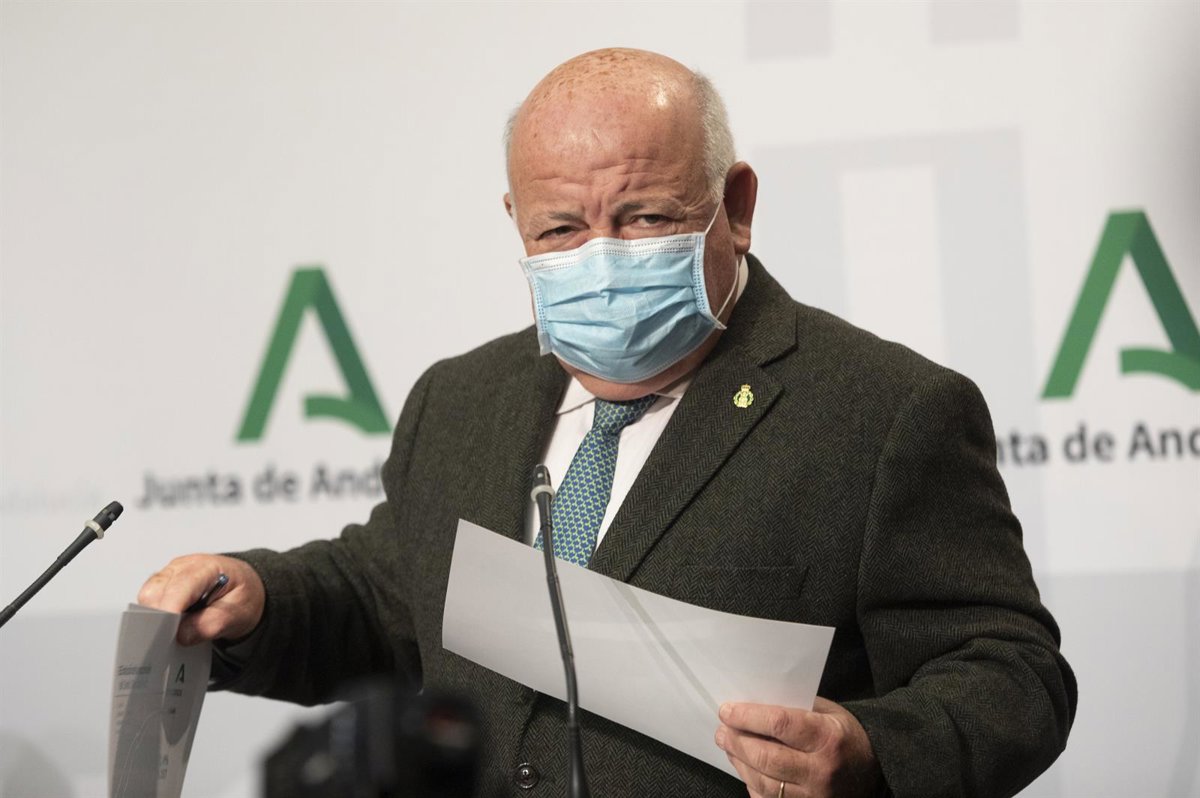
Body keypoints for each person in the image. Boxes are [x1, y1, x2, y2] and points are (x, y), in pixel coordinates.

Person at [138, 48, 1076, 798]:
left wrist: (870, 750)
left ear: (735, 207)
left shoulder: (886, 410)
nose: (602, 255)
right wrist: (261, 599)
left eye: (644, 217)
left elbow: (1013, 675)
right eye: (560, 229)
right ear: (515, 221)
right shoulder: (460, 399)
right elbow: (392, 597)